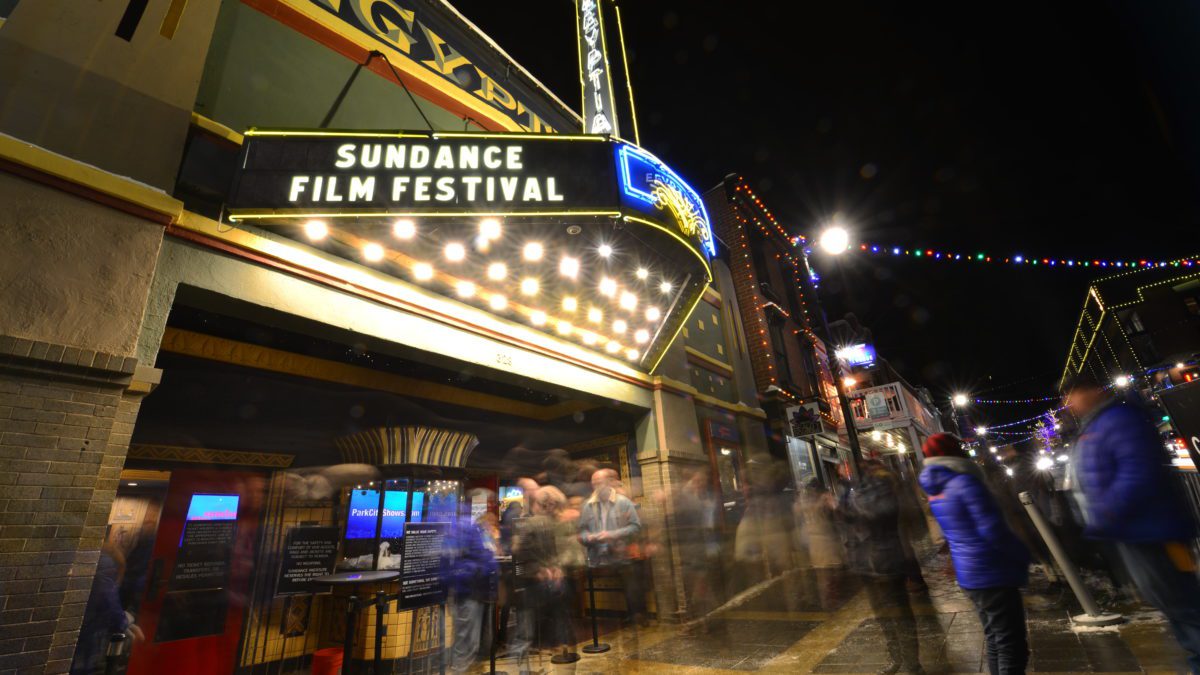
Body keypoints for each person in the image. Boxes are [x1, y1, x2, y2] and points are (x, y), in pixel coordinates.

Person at [1062, 373, 1200, 672]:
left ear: (1092, 391)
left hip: (1156, 530)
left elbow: (1137, 472)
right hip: (1132, 532)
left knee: (1184, 605)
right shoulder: (1094, 426)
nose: (1070, 403)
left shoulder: (1118, 419)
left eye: (1073, 395)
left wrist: (1106, 513)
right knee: (1172, 605)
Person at [920, 434, 1030, 675]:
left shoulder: (936, 489)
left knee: (994, 636)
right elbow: (992, 529)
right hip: (992, 570)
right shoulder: (966, 483)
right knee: (1012, 643)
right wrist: (1022, 554)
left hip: (970, 573)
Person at [841, 459, 924, 675]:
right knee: (883, 615)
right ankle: (897, 658)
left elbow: (878, 514)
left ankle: (912, 665)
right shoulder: (859, 492)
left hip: (887, 559)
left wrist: (854, 503)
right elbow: (851, 520)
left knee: (899, 614)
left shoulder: (885, 489)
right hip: (866, 562)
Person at [441, 489, 500, 675]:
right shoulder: (464, 526)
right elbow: (459, 559)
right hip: (468, 591)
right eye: (488, 501)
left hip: (475, 591)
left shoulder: (473, 526)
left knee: (471, 642)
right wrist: (485, 565)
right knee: (466, 642)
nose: (491, 506)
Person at [578, 468, 643, 625]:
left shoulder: (623, 502)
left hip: (621, 555)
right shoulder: (588, 505)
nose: (596, 487)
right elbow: (582, 531)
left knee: (631, 584)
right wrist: (589, 537)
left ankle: (636, 616)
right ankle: (606, 621)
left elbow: (636, 527)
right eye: (594, 484)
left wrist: (612, 535)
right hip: (598, 556)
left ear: (608, 483)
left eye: (599, 482)